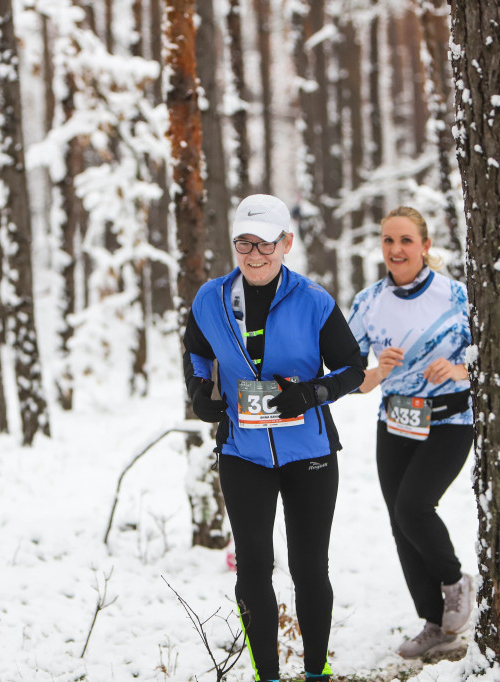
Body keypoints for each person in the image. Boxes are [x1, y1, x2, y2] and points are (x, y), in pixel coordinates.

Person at [182, 194, 365, 682]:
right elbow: (196, 352)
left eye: (265, 243)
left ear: (286, 242)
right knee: (253, 567)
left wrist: (311, 394)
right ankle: (267, 675)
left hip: (310, 454)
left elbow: (353, 368)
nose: (254, 255)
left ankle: (316, 670)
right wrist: (200, 394)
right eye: (244, 244)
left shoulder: (313, 300)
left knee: (308, 569)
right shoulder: (211, 298)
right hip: (243, 452)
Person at [346, 206, 475, 659]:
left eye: (405, 241)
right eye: (388, 241)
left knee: (414, 506)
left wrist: (460, 369)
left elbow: (496, 353)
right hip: (395, 422)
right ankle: (436, 626)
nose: (396, 250)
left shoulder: (456, 295)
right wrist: (376, 372)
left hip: (450, 420)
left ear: (425, 245)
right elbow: (349, 379)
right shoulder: (368, 303)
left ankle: (456, 582)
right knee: (401, 524)